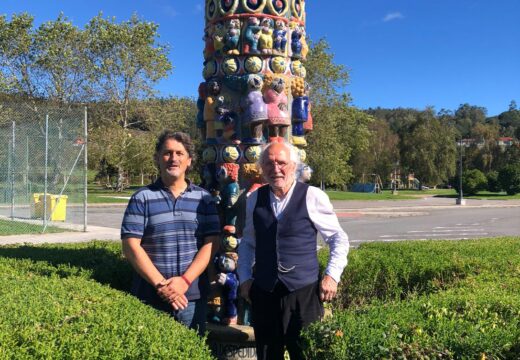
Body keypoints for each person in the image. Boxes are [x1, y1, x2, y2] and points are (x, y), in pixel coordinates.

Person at [237, 142, 349, 360]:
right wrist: (244, 279)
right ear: (262, 167)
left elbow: (338, 238)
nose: (275, 168)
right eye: (268, 163)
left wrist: (332, 276)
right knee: (268, 355)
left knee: (306, 354)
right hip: (265, 292)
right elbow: (248, 242)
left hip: (303, 292)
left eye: (281, 162)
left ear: (294, 165)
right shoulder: (254, 199)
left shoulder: (312, 196)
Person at [121, 130, 220, 335]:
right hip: (149, 297)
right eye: (167, 153)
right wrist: (162, 286)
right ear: (157, 158)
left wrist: (184, 282)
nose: (173, 158)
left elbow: (212, 243)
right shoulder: (142, 198)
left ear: (189, 160)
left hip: (191, 298)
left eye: (179, 153)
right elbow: (131, 246)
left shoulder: (205, 199)